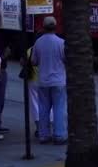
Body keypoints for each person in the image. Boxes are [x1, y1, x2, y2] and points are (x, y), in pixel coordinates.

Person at [32, 16, 67, 145]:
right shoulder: (61, 43)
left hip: (43, 81)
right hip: (58, 81)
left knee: (43, 108)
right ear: (55, 27)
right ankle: (59, 135)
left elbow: (34, 61)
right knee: (59, 108)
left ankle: (44, 135)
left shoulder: (38, 42)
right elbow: (66, 59)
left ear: (43, 27)